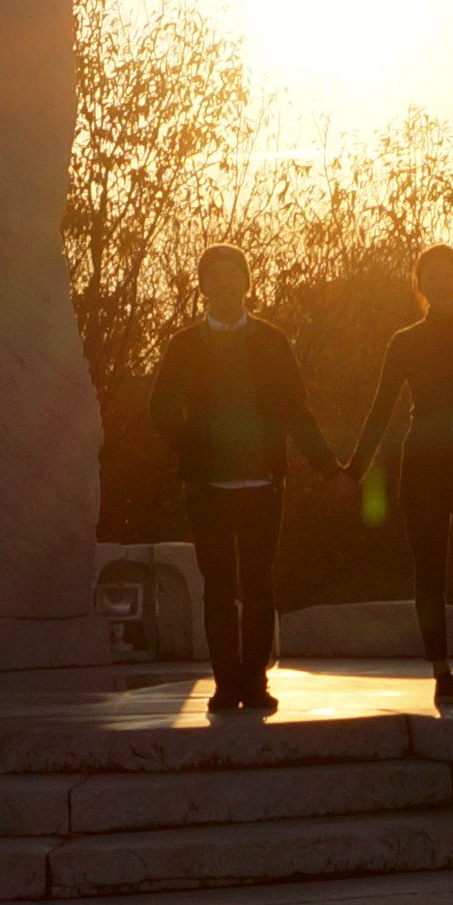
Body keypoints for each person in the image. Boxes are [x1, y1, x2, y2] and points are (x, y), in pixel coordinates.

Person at [148, 247, 341, 715]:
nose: (226, 284)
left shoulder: (271, 341)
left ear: (247, 282)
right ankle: (224, 683)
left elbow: (297, 410)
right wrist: (194, 443)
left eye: (234, 274)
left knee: (259, 585)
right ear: (204, 286)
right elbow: (161, 408)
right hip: (206, 486)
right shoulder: (185, 344)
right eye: (215, 276)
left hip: (262, 483)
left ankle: (254, 681)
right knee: (217, 587)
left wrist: (329, 469)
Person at [345, 245, 453, 707]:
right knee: (429, 575)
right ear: (419, 286)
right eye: (431, 276)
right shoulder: (405, 341)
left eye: (450, 275)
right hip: (423, 465)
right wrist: (352, 470)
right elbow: (380, 411)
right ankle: (440, 670)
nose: (441, 283)